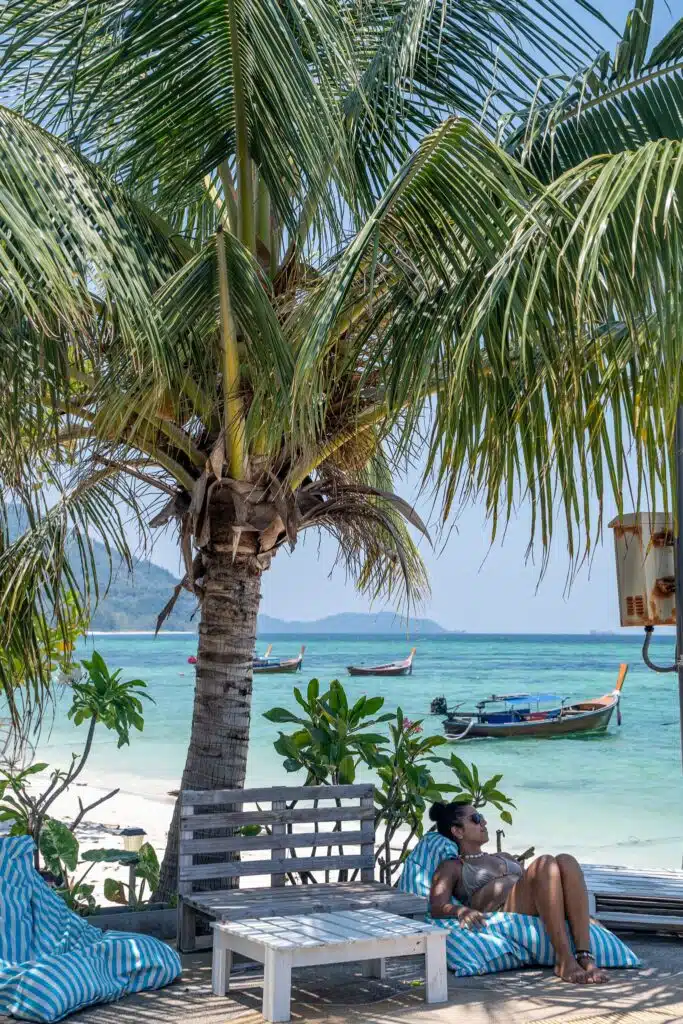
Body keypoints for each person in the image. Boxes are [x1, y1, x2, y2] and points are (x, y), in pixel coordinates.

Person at [428, 800, 609, 984]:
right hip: (503, 908)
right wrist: (460, 910)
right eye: (476, 818)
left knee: (566, 860)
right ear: (458, 831)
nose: (484, 822)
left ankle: (584, 955)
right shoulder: (453, 866)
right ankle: (564, 960)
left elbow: (539, 883)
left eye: (481, 817)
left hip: (531, 903)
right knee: (544, 862)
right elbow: (436, 906)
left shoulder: (502, 857)